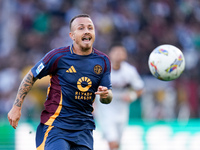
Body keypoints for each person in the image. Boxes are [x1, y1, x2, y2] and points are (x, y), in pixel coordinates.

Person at [7, 14, 113, 150]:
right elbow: (31, 76)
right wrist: (17, 107)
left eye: (90, 28)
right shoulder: (57, 56)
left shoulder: (103, 61)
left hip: (84, 129)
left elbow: (107, 96)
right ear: (72, 35)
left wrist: (106, 95)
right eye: (81, 28)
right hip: (56, 126)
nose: (87, 31)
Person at [95, 44, 144, 150]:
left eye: (121, 52)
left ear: (125, 55)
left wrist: (132, 96)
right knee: (112, 142)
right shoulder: (102, 70)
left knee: (117, 143)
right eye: (116, 52)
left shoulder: (130, 71)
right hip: (106, 111)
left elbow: (140, 88)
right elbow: (92, 88)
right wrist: (92, 104)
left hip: (122, 111)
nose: (118, 55)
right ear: (110, 54)